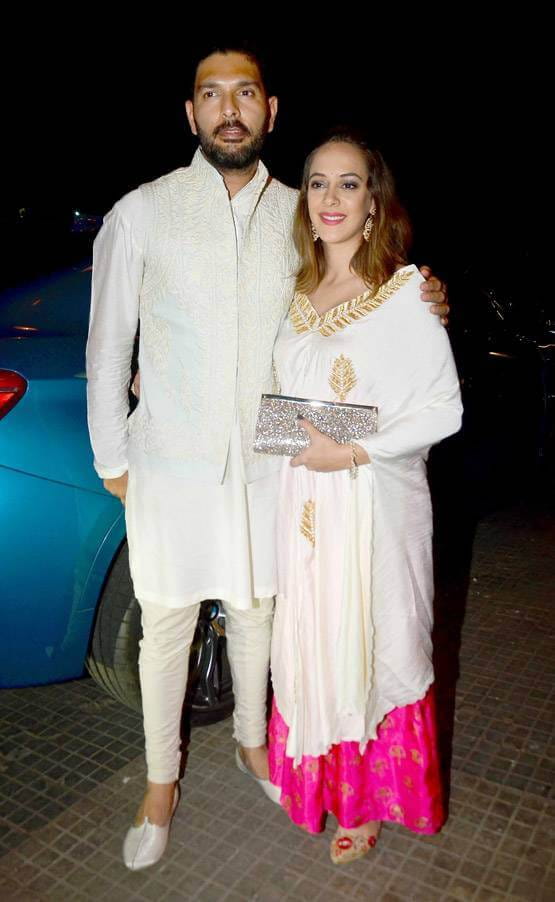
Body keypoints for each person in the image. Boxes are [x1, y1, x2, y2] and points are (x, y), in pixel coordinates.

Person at [86, 44, 450, 871]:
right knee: (167, 626)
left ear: (269, 110)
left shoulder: (298, 214)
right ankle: (159, 783)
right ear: (190, 114)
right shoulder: (141, 211)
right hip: (169, 465)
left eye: (243, 93)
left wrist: (425, 294)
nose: (228, 108)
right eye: (210, 95)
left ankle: (255, 745)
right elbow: (108, 347)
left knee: (257, 614)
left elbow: (354, 301)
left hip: (269, 463)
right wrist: (114, 456)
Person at [267, 132, 462, 864]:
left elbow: (442, 410)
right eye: (317, 183)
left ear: (374, 203)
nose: (330, 199)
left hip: (374, 509)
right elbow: (279, 411)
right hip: (306, 510)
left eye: (348, 184)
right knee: (316, 642)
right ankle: (323, 785)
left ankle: (369, 803)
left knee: (374, 641)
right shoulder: (294, 298)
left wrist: (346, 445)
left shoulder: (406, 292)